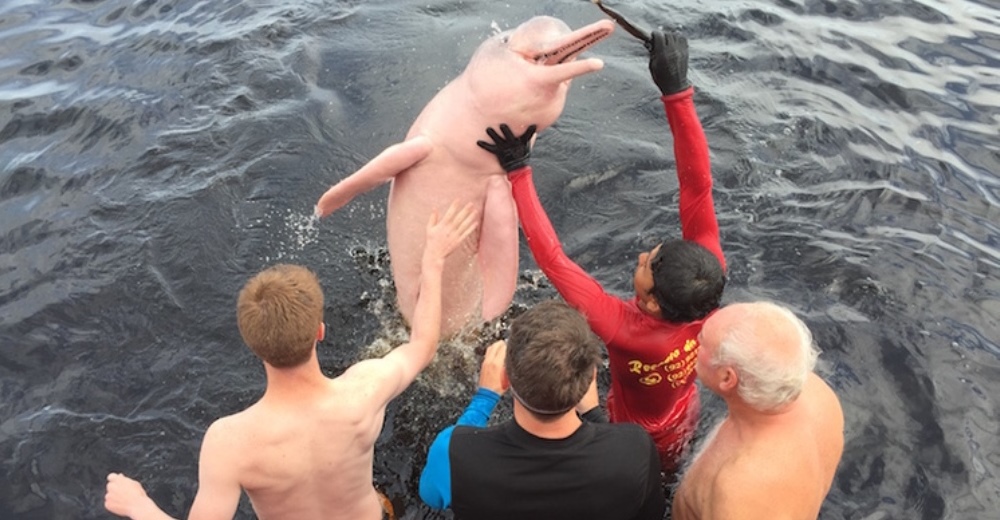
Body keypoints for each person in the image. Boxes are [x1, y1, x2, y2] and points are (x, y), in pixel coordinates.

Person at [104, 201, 478, 520]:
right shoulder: (365, 389)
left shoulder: (229, 442)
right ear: (320, 331)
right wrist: (433, 259)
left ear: (254, 346)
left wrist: (139, 505)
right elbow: (423, 345)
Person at [475, 30, 725, 475]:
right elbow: (697, 185)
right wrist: (676, 91)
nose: (642, 255)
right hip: (685, 412)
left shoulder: (622, 329)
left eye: (646, 267)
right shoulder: (706, 279)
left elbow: (554, 260)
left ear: (649, 303)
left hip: (632, 434)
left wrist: (518, 172)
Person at [418, 300, 665, 520]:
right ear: (591, 377)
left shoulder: (451, 454)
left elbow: (430, 495)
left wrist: (484, 398)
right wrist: (593, 414)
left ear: (505, 376)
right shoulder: (635, 450)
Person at [672, 301, 845, 520]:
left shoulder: (739, 490)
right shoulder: (818, 395)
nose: (694, 342)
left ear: (727, 377)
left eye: (702, 341)